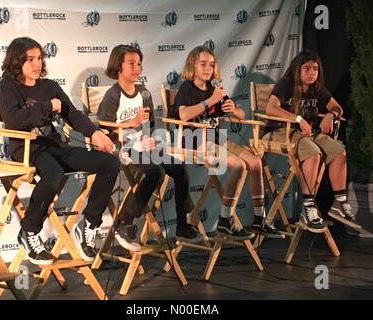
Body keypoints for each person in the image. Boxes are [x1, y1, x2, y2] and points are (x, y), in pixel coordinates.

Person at [0, 37, 120, 265]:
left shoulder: (50, 86)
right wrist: (46, 106)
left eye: (39, 58)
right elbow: (13, 120)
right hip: (29, 149)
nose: (37, 64)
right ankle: (29, 230)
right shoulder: (8, 86)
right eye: (30, 59)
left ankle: (89, 224)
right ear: (16, 62)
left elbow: (72, 114)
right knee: (53, 175)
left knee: (109, 163)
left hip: (57, 146)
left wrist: (94, 133)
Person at [97, 44, 203, 252]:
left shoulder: (144, 93)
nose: (137, 68)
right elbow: (104, 131)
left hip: (144, 145)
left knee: (179, 168)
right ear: (118, 66)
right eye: (131, 64)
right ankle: (125, 221)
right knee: (156, 172)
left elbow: (150, 126)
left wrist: (152, 139)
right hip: (124, 147)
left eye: (139, 64)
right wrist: (131, 124)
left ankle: (181, 224)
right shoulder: (112, 95)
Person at [172, 46, 283, 240]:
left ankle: (259, 218)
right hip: (195, 142)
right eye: (203, 64)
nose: (208, 68)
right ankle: (225, 219)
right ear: (192, 65)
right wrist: (209, 102)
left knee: (255, 162)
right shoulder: (187, 88)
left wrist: (234, 109)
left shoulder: (215, 89)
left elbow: (239, 114)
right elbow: (183, 114)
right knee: (239, 165)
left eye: (211, 64)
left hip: (218, 140)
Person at [263, 49, 359, 231]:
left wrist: (331, 115)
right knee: (314, 153)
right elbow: (271, 108)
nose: (312, 73)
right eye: (307, 68)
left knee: (338, 151)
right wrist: (298, 119)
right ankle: (307, 207)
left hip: (309, 134)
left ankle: (339, 203)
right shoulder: (286, 84)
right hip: (282, 131)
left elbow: (337, 107)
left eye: (315, 69)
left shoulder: (317, 88)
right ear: (297, 69)